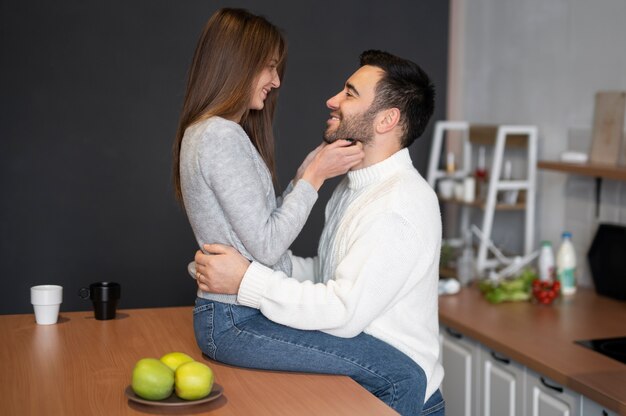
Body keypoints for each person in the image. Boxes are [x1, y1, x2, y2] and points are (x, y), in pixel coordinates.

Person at [173, 9, 432, 415]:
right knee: (405, 377)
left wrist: (243, 275)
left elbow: (336, 302)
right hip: (238, 315)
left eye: (349, 93)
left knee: (408, 377)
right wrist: (309, 179)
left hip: (254, 316)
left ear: (387, 119)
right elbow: (268, 244)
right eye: (270, 66)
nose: (277, 81)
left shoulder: (395, 204)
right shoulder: (221, 135)